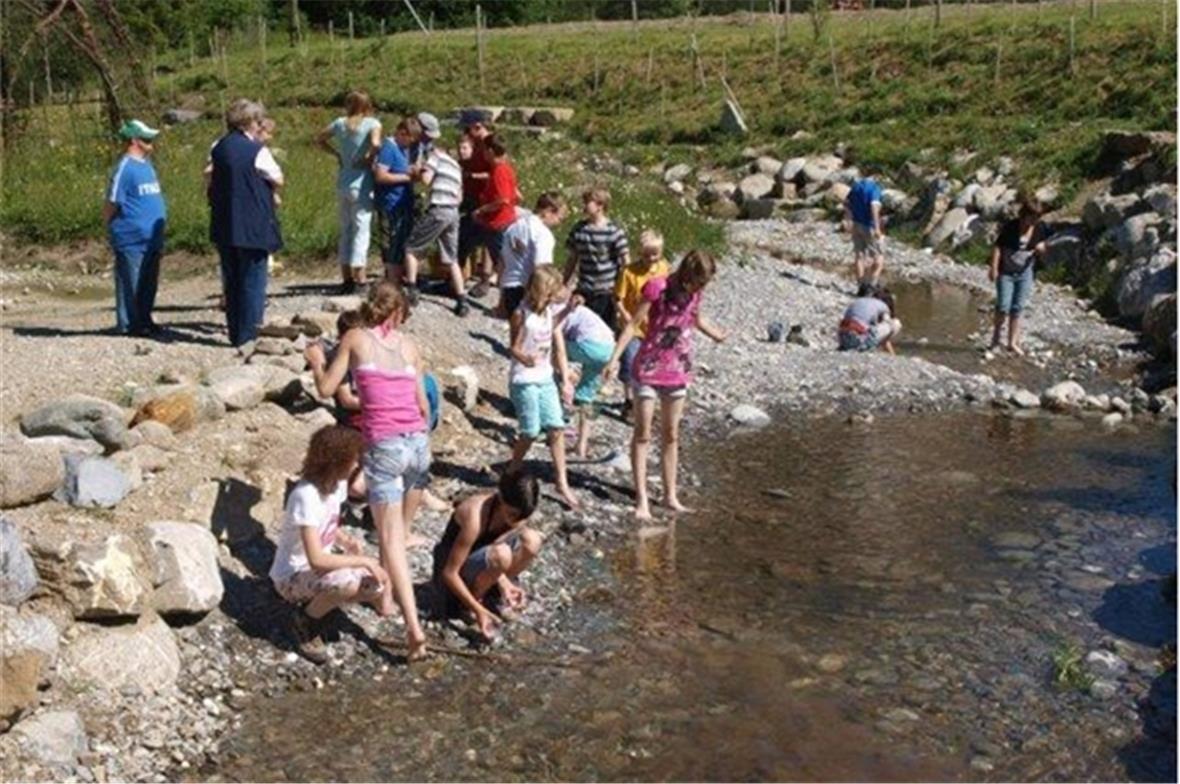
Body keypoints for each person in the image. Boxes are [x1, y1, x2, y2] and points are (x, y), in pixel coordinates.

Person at [304, 282, 430, 660]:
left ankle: (414, 630)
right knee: (397, 533)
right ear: (398, 313)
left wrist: (315, 361)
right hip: (418, 446)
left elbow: (327, 388)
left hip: (385, 446)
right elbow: (422, 404)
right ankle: (386, 599)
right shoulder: (410, 346)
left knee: (390, 540)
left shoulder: (355, 338)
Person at [605, 251, 727, 522]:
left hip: (678, 370)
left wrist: (715, 333)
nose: (701, 287)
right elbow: (634, 324)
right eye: (699, 281)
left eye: (704, 283)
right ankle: (642, 499)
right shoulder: (657, 287)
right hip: (648, 368)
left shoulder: (696, 293)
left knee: (671, 435)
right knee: (643, 434)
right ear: (687, 274)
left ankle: (670, 495)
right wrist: (614, 358)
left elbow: (695, 318)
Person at [269, 425, 390, 665]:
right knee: (347, 582)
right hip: (291, 576)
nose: (357, 466)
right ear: (336, 461)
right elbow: (316, 559)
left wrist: (343, 539)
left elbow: (327, 525)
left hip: (317, 568)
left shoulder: (337, 486)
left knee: (375, 585)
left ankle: (322, 604)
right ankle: (305, 621)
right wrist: (363, 559)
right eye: (353, 460)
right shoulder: (306, 495)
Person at [431, 470, 543, 641]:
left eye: (522, 516)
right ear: (501, 498)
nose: (516, 521)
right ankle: (469, 605)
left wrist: (505, 584)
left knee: (532, 540)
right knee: (502, 554)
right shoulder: (475, 515)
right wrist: (478, 611)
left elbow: (490, 547)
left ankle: (493, 595)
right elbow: (449, 573)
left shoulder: (519, 513)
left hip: (483, 562)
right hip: (451, 571)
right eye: (512, 514)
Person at [208, 99, 283, 347]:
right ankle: (250, 334)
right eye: (257, 121)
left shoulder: (218, 146)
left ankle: (235, 331)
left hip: (224, 220)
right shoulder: (257, 151)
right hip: (252, 222)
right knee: (253, 280)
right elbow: (277, 177)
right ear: (249, 122)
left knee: (232, 279)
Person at [507, 266, 579, 509]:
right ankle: (513, 466)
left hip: (545, 376)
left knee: (556, 427)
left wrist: (568, 309)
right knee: (530, 430)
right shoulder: (521, 313)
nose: (559, 293)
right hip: (524, 379)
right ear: (544, 291)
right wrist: (523, 357)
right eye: (554, 289)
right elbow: (513, 346)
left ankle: (562, 481)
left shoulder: (548, 311)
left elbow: (552, 326)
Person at [104, 119, 167, 337]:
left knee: (148, 282)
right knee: (131, 282)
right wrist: (110, 227)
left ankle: (145, 319)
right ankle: (129, 324)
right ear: (134, 141)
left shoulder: (147, 165)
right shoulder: (124, 168)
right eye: (147, 139)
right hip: (131, 235)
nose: (151, 143)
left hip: (152, 236)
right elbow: (112, 202)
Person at [316, 91, 382, 293]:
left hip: (343, 181)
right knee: (361, 230)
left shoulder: (339, 123)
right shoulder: (372, 123)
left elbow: (319, 139)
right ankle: (360, 277)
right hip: (362, 183)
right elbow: (377, 143)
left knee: (346, 230)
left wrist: (336, 153)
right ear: (367, 105)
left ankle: (346, 277)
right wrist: (369, 157)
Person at [401, 123, 468, 316]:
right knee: (451, 258)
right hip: (453, 213)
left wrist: (417, 171)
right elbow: (459, 197)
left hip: (438, 209)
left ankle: (412, 289)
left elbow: (426, 180)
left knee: (412, 248)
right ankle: (462, 299)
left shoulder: (436, 157)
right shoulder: (456, 166)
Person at [614, 229, 671, 417]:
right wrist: (625, 315)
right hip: (633, 326)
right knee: (630, 361)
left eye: (655, 254)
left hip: (654, 326)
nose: (651, 258)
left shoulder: (664, 268)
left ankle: (647, 397)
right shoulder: (629, 272)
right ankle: (629, 399)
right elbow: (618, 298)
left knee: (651, 362)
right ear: (640, 253)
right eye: (647, 255)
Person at [556, 293, 615, 459]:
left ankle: (556, 421)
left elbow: (557, 340)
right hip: (609, 347)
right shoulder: (582, 311)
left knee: (551, 349)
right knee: (586, 397)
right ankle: (581, 445)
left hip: (590, 345)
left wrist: (563, 371)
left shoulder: (557, 310)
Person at [564, 188, 630, 332]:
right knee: (583, 327)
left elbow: (625, 261)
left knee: (606, 328)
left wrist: (625, 288)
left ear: (600, 206)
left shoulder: (614, 231)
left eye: (588, 202)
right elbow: (572, 259)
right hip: (585, 288)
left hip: (607, 289)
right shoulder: (579, 229)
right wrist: (564, 282)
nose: (585, 205)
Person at [989, 197, 1048, 355]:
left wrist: (1043, 247)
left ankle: (1012, 342)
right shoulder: (1011, 227)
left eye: (1037, 217)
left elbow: (1045, 243)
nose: (1034, 221)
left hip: (1025, 272)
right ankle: (995, 339)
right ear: (1024, 215)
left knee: (1017, 308)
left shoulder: (1040, 228)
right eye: (1032, 217)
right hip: (1006, 272)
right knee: (1003, 306)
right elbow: (998, 247)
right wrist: (993, 268)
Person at [497, 192, 568, 318]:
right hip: (528, 290)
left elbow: (502, 261)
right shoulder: (543, 234)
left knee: (514, 330)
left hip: (509, 286)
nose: (559, 224)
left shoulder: (513, 226)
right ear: (549, 211)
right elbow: (542, 270)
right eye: (559, 218)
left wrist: (501, 296)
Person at [372, 117, 418, 294]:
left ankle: (398, 277)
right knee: (392, 241)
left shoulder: (402, 149)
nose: (410, 143)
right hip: (391, 202)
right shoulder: (389, 148)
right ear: (402, 133)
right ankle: (392, 281)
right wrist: (407, 178)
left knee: (401, 240)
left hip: (403, 201)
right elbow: (381, 175)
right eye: (409, 139)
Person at [471, 133, 519, 296]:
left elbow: (503, 199)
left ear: (491, 151)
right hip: (502, 221)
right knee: (502, 262)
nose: (483, 153)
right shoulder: (505, 169)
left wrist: (482, 210)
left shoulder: (499, 171)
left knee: (502, 263)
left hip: (499, 223)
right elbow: (515, 196)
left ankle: (506, 300)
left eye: (485, 150)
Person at [457, 111, 494, 298]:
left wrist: (472, 176)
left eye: (469, 128)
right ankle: (461, 274)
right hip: (470, 194)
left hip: (484, 196)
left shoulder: (490, 143)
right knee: (466, 234)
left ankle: (485, 278)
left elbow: (495, 172)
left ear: (477, 126)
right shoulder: (473, 143)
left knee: (487, 238)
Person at [837, 282, 902, 354]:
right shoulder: (884, 307)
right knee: (895, 323)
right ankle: (868, 346)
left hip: (842, 339)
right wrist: (892, 354)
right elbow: (884, 333)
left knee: (869, 327)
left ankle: (856, 345)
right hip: (858, 341)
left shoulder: (860, 301)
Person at [844, 175, 885, 285]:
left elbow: (847, 203)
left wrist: (848, 219)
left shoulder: (856, 187)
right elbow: (874, 206)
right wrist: (877, 227)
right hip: (870, 226)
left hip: (856, 224)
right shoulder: (875, 188)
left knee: (859, 256)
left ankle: (861, 285)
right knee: (878, 256)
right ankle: (872, 284)